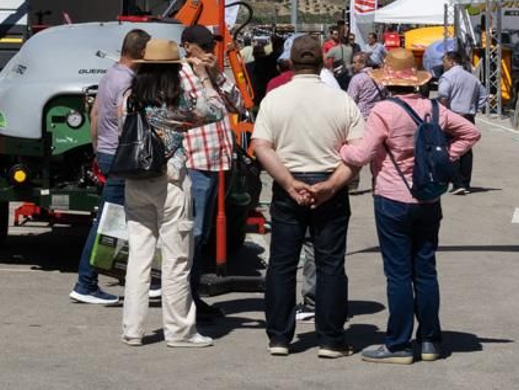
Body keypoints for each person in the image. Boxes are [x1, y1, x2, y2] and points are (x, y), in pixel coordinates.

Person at [328, 48, 481, 364]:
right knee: (425, 270)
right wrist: (445, 158)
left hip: (392, 198)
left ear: (387, 81)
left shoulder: (384, 110)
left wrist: (340, 148)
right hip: (428, 197)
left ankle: (398, 344)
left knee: (398, 273)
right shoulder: (433, 108)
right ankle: (429, 341)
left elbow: (362, 155)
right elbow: (471, 132)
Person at [251, 34, 365, 358]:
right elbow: (358, 152)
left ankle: (279, 337)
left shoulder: (275, 98)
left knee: (282, 264)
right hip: (329, 185)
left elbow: (261, 146)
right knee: (330, 264)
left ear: (290, 62)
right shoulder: (341, 100)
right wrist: (330, 185)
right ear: (323, 62)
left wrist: (287, 182)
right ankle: (330, 338)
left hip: (289, 186)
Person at [117, 37, 222, 348]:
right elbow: (213, 111)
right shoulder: (175, 104)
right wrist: (204, 77)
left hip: (135, 180)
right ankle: (179, 330)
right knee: (176, 258)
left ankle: (132, 329)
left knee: (139, 257)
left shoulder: (130, 99)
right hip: (170, 182)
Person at [70, 28, 151, 306]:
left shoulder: (109, 75)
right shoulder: (129, 82)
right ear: (141, 52)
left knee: (121, 218)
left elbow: (94, 114)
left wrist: (97, 149)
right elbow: (125, 121)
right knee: (111, 220)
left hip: (106, 151)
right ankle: (86, 282)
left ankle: (134, 277)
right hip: (120, 155)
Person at [178, 23, 245, 321]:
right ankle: (185, 300)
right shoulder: (180, 75)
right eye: (204, 46)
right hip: (196, 162)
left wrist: (217, 75)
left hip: (216, 161)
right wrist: (204, 78)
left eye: (211, 47)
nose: (209, 51)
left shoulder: (214, 77)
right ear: (188, 46)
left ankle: (191, 298)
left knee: (200, 235)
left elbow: (239, 105)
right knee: (193, 233)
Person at [437, 50, 485, 195]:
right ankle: (465, 182)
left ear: (452, 61)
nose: (443, 64)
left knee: (450, 148)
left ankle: (456, 182)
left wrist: (442, 113)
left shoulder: (447, 77)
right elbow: (483, 96)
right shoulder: (472, 78)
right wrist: (474, 109)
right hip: (468, 116)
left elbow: (443, 96)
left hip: (452, 115)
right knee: (466, 150)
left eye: (444, 61)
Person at [346, 51, 387, 120]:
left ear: (363, 64)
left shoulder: (356, 79)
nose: (353, 65)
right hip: (379, 115)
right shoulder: (379, 75)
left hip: (363, 117)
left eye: (355, 62)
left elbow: (350, 101)